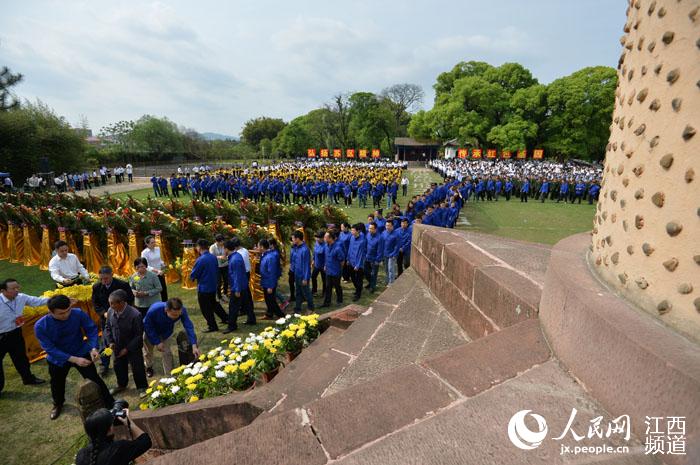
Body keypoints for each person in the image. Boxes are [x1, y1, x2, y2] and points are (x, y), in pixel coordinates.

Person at [34, 295, 115, 420]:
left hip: (80, 350)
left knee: (94, 378)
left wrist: (93, 348)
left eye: (68, 310)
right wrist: (74, 359)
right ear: (50, 312)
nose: (66, 315)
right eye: (61, 313)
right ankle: (58, 403)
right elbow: (49, 348)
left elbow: (91, 329)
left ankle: (110, 402)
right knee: (57, 383)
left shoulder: (77, 313)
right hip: (58, 359)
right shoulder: (40, 326)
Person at [0, 279, 47, 396]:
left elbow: (38, 301)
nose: (17, 290)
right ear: (3, 291)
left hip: (15, 333)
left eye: (18, 287)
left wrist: (59, 299)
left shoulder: (21, 297)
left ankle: (28, 379)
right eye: (13, 289)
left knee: (21, 358)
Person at [103, 290, 147, 397]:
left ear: (121, 303)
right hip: (117, 345)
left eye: (112, 304)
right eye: (110, 303)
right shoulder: (110, 311)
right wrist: (111, 342)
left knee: (137, 367)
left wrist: (127, 349)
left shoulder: (135, 315)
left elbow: (138, 335)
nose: (110, 306)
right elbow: (107, 327)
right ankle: (121, 385)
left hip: (132, 347)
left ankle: (142, 387)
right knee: (118, 366)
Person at [92, 266, 134, 376]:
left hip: (122, 318)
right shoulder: (96, 287)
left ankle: (129, 359)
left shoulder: (122, 285)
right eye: (101, 279)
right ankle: (104, 365)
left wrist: (120, 313)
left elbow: (130, 300)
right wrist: (104, 313)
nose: (103, 281)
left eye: (106, 278)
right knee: (106, 341)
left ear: (112, 274)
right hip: (106, 319)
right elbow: (96, 304)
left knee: (125, 339)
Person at [143, 298, 200, 377]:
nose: (176, 317)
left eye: (178, 315)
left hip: (166, 333)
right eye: (174, 315)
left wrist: (194, 345)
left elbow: (188, 326)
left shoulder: (182, 311)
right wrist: (157, 342)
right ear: (166, 310)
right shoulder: (154, 310)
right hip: (151, 332)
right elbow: (147, 326)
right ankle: (148, 366)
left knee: (167, 353)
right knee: (148, 352)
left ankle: (169, 376)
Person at [75, 407, 152, 465]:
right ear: (109, 430)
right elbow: (146, 441)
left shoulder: (81, 455)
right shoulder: (118, 449)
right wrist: (130, 423)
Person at [190, 239, 228, 333]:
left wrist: (192, 277)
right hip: (212, 285)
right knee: (214, 303)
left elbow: (194, 274)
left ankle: (212, 325)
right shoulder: (213, 257)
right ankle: (225, 318)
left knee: (206, 308)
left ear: (199, 247)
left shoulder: (201, 259)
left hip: (204, 287)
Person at [223, 239, 255, 333]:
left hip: (238, 287)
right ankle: (251, 319)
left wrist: (237, 290)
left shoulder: (235, 259)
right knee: (247, 303)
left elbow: (237, 275)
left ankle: (232, 326)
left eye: (224, 249)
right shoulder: (236, 256)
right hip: (243, 285)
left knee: (233, 307)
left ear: (226, 249)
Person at [258, 239, 285, 320]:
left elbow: (272, 273)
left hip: (269, 282)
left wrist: (270, 286)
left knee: (271, 300)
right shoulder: (264, 255)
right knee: (268, 300)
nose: (257, 247)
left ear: (262, 247)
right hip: (265, 281)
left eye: (258, 246)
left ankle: (281, 315)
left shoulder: (270, 257)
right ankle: (269, 314)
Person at [290, 230, 314, 314]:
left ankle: (311, 308)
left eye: (293, 238)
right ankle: (297, 308)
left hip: (303, 276)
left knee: (306, 293)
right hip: (297, 274)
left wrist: (305, 278)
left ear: (297, 239)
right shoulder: (295, 247)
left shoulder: (305, 250)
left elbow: (307, 265)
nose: (292, 240)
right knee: (298, 292)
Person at [321, 230, 344, 308]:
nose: (324, 238)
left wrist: (339, 270)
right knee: (328, 287)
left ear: (330, 238)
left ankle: (339, 300)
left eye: (325, 237)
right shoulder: (326, 246)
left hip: (336, 272)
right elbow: (326, 257)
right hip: (328, 271)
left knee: (337, 286)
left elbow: (342, 261)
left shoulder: (338, 248)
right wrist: (325, 265)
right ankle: (327, 302)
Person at [141, 236, 168, 301]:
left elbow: (159, 260)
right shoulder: (144, 253)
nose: (154, 244)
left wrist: (163, 264)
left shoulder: (157, 249)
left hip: (160, 273)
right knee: (155, 292)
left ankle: (165, 304)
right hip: (151, 275)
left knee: (163, 290)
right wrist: (156, 270)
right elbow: (146, 266)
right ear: (147, 244)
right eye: (152, 243)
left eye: (154, 242)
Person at [347, 223, 367, 302]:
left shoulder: (362, 240)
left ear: (358, 231)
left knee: (359, 279)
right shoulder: (352, 237)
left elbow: (361, 254)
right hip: (351, 261)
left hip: (358, 264)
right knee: (352, 277)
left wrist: (358, 265)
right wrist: (348, 259)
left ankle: (358, 294)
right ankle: (358, 288)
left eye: (353, 230)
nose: (351, 231)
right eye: (351, 230)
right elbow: (350, 249)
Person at [364, 223, 383, 293]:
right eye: (369, 228)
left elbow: (380, 250)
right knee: (366, 272)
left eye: (371, 228)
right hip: (367, 257)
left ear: (375, 229)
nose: (369, 230)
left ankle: (372, 287)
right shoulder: (368, 235)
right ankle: (370, 282)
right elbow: (365, 245)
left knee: (373, 274)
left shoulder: (379, 238)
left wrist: (377, 260)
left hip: (374, 259)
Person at [209, 234, 229, 302]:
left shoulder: (224, 246)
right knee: (218, 282)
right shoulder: (212, 247)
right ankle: (219, 297)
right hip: (217, 266)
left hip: (225, 265)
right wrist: (220, 257)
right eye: (221, 241)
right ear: (217, 241)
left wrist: (226, 255)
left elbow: (227, 253)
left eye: (223, 241)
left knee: (226, 280)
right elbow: (211, 257)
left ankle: (225, 294)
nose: (223, 242)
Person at [382, 221, 399, 285]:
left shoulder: (396, 234)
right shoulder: (383, 233)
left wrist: (394, 254)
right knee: (386, 268)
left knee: (391, 269)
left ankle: (391, 283)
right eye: (386, 225)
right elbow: (382, 244)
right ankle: (387, 280)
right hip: (385, 254)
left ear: (392, 226)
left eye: (389, 226)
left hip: (392, 255)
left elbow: (397, 246)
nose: (387, 227)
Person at [311, 230, 326, 298]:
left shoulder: (326, 245)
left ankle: (325, 292)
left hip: (323, 266)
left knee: (324, 280)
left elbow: (327, 256)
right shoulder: (316, 243)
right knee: (313, 277)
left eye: (318, 238)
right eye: (316, 237)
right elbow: (314, 252)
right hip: (317, 264)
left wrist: (326, 265)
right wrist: (313, 260)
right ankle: (314, 291)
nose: (317, 239)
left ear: (323, 238)